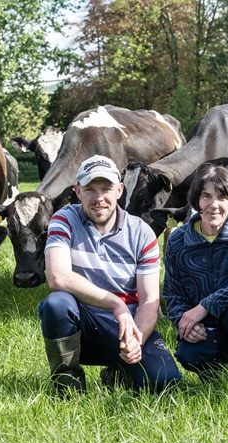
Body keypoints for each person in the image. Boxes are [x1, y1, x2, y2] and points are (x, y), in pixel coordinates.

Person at [38, 154, 182, 395]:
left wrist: (137, 338)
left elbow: (149, 301)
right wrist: (116, 303)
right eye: (90, 189)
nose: (99, 198)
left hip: (127, 325)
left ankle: (118, 370)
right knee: (57, 303)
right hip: (82, 318)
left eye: (106, 188)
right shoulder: (64, 220)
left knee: (164, 381)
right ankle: (68, 382)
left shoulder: (142, 234)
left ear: (119, 190)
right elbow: (58, 277)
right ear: (77, 190)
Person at [162, 164, 228, 378]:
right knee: (188, 354)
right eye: (206, 196)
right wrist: (185, 322)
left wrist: (206, 305)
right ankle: (222, 377)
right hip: (208, 328)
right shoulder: (178, 240)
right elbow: (172, 294)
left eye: (222, 197)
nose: (214, 205)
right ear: (196, 201)